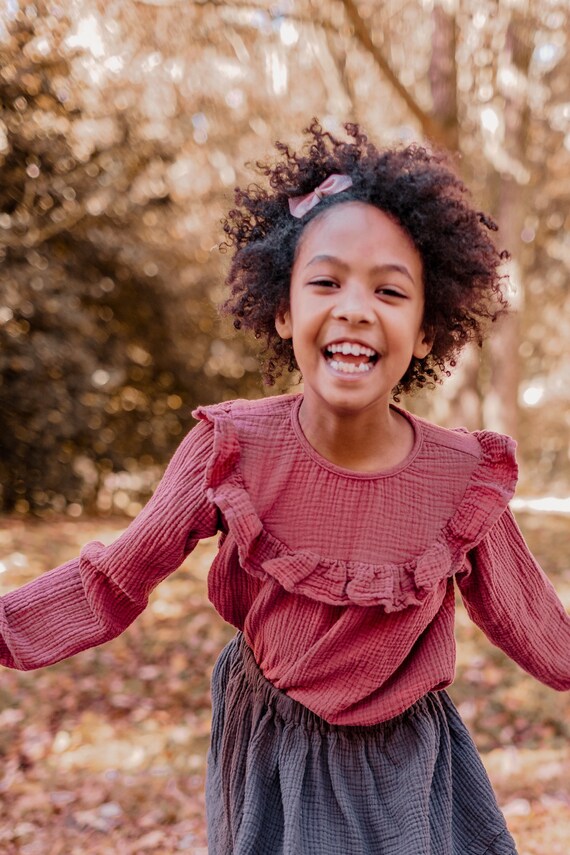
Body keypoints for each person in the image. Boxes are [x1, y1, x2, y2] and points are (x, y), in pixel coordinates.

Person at [1, 121, 569, 855]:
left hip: (408, 763)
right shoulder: (231, 448)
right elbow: (112, 579)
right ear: (282, 309)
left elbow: (538, 622)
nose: (355, 307)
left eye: (390, 290)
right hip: (274, 749)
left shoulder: (460, 479)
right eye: (326, 281)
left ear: (428, 329)